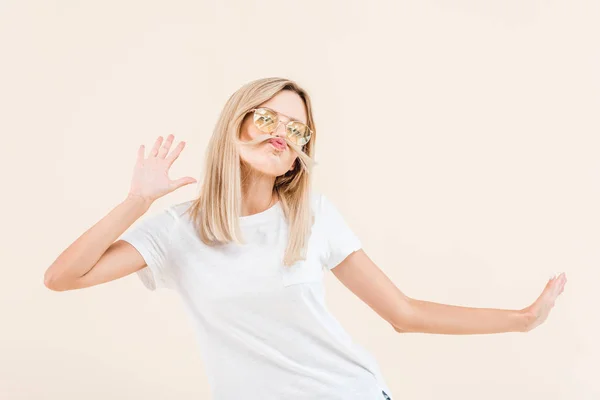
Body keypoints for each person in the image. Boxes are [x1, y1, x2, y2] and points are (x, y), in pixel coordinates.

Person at [43, 77, 567, 400]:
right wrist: (138, 200)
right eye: (267, 117)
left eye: (297, 130)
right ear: (235, 125)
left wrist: (521, 321)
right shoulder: (178, 230)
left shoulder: (312, 217)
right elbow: (62, 278)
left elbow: (404, 314)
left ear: (301, 151)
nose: (281, 133)